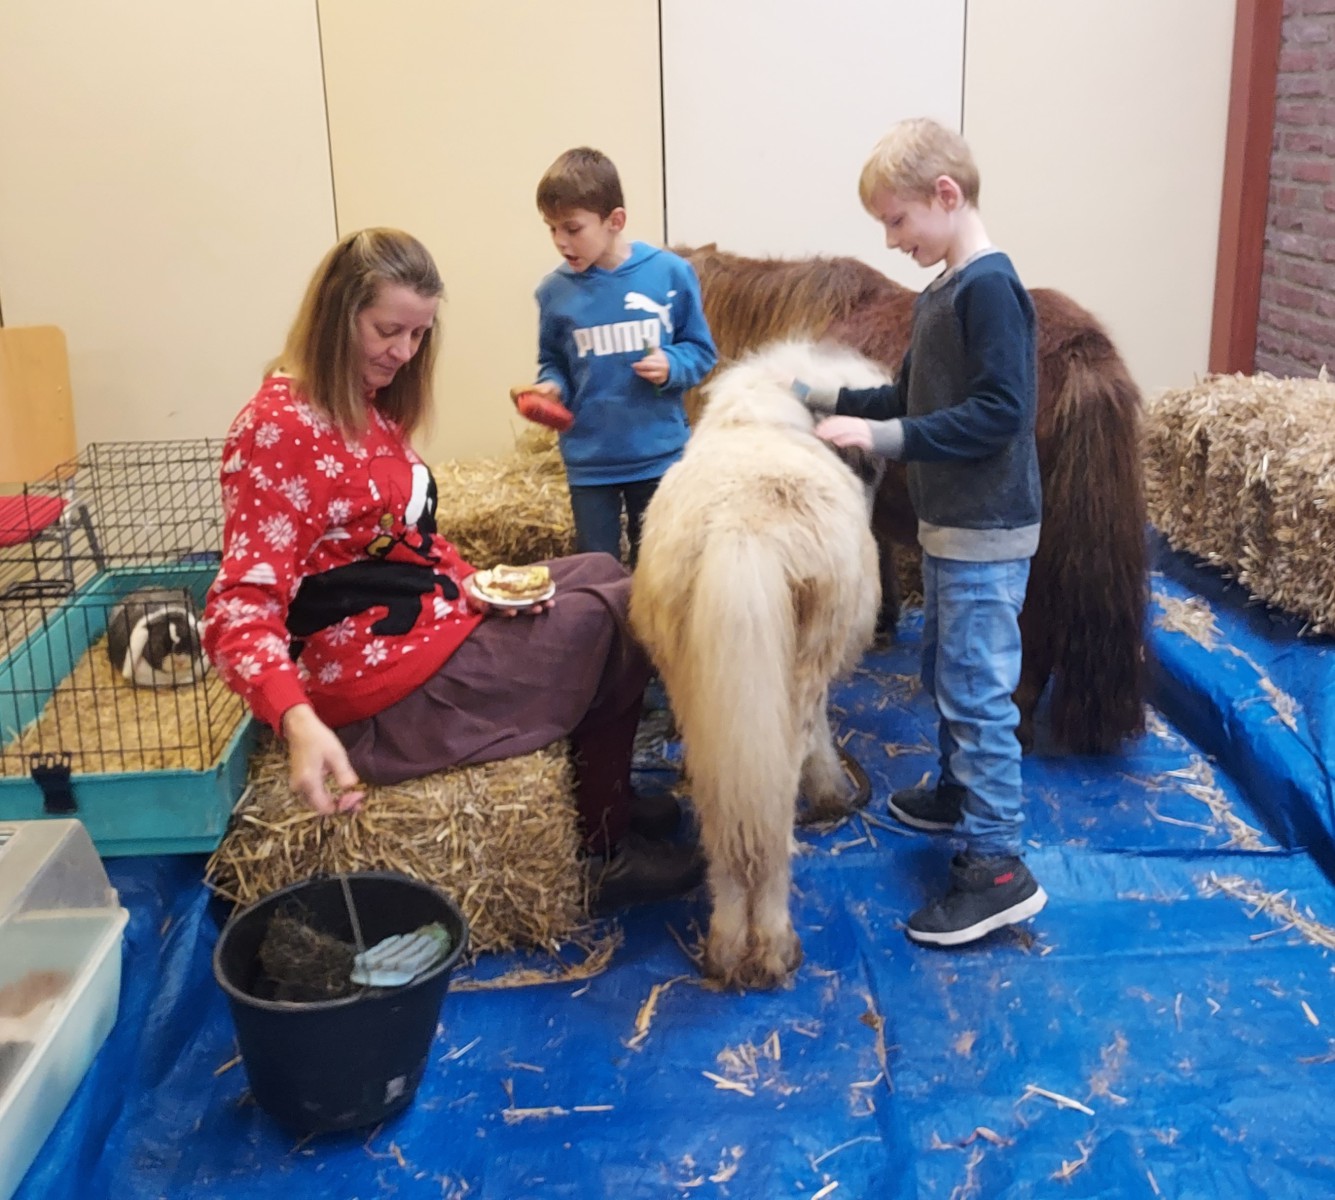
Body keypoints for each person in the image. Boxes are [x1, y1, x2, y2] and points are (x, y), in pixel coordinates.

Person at [202, 227, 702, 913]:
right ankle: (601, 849)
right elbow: (237, 608)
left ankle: (605, 795)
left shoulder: (361, 406)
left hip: (417, 625)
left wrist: (475, 581)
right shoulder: (279, 429)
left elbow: (405, 536)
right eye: (388, 331)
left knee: (602, 571)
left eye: (418, 335)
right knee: (611, 613)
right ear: (336, 315)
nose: (404, 353)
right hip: (375, 685)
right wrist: (296, 720)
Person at [793, 118, 1048, 947]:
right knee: (944, 670)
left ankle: (997, 868)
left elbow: (999, 413)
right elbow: (906, 397)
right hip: (949, 528)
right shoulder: (942, 290)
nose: (890, 240)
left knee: (976, 692)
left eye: (896, 220)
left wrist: (883, 439)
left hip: (986, 531)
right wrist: (821, 397)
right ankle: (956, 792)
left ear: (945, 195)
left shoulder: (989, 289)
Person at [512, 147, 717, 566]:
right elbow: (554, 362)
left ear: (615, 221)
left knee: (659, 566)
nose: (560, 241)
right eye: (551, 229)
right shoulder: (553, 292)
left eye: (572, 228)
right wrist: (551, 387)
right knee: (595, 569)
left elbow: (700, 351)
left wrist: (673, 365)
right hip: (590, 463)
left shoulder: (671, 273)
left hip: (658, 456)